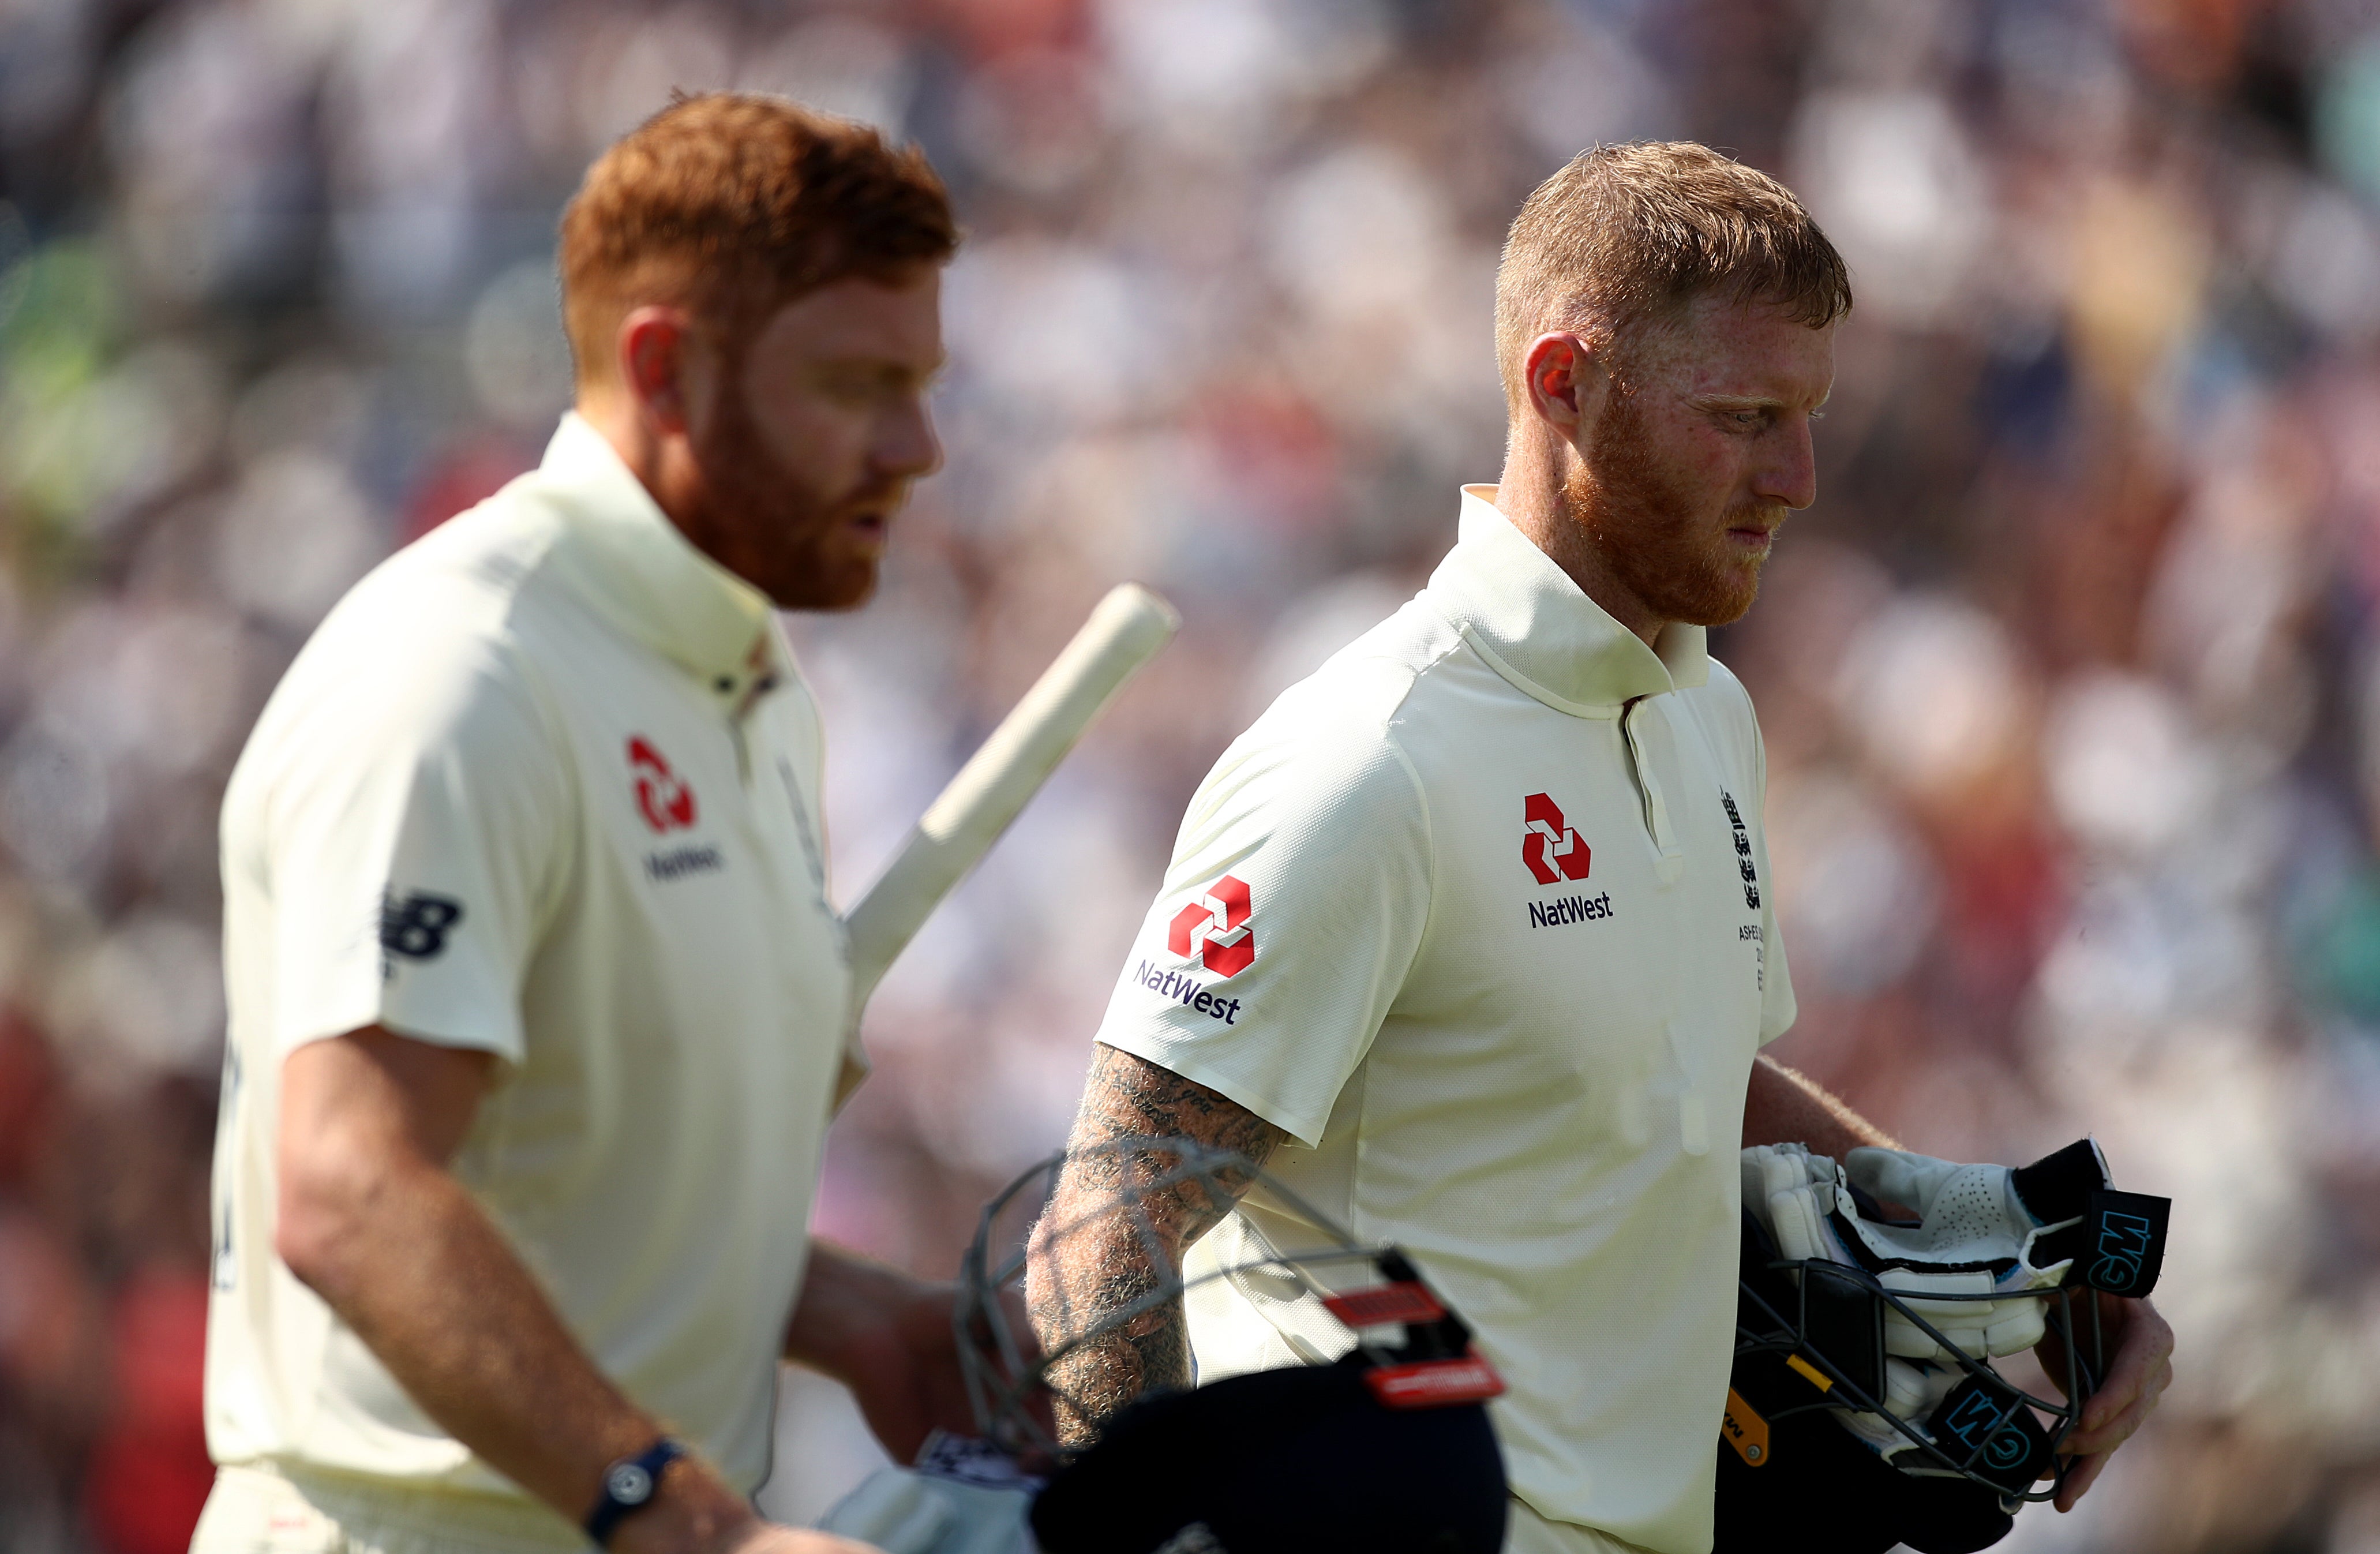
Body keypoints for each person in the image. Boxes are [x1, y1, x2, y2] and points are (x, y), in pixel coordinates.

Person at [1026, 143, 2175, 1554]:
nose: (1800, 478)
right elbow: (1105, 1231)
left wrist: (1988, 1242)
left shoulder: (1706, 710)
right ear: (1560, 383)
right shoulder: (1367, 762)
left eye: (1808, 415)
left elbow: (1670, 1071)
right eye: (1745, 416)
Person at [195, 93, 980, 1554]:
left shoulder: (746, 677)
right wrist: (692, 1526)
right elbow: (354, 1193)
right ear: (665, 368)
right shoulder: (459, 677)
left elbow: (565, 1182)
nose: (918, 444)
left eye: (920, 381)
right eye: (857, 383)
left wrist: (857, 1317)